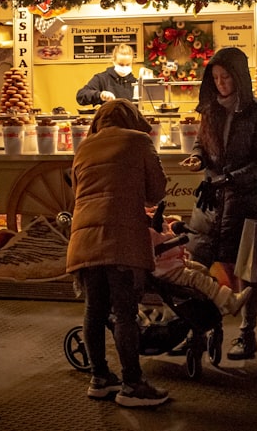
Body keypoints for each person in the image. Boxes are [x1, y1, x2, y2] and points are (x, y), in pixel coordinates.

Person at [65, 99, 170, 407]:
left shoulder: (83, 147)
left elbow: (78, 191)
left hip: (85, 236)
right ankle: (133, 384)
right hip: (121, 236)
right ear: (132, 119)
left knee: (94, 310)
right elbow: (157, 191)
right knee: (124, 311)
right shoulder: (139, 140)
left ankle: (99, 378)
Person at [181, 46, 257, 360]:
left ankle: (247, 334)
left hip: (244, 202)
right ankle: (197, 330)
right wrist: (196, 158)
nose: (221, 83)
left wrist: (231, 178)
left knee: (246, 270)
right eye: (216, 78)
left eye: (226, 77)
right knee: (198, 264)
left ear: (239, 78)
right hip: (210, 202)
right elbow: (201, 144)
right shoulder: (210, 110)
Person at [147, 201, 253, 317]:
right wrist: (159, 230)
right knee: (196, 278)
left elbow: (165, 227)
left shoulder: (149, 214)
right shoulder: (141, 222)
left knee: (201, 268)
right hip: (164, 268)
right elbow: (154, 239)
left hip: (171, 261)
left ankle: (215, 302)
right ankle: (229, 301)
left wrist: (173, 225)